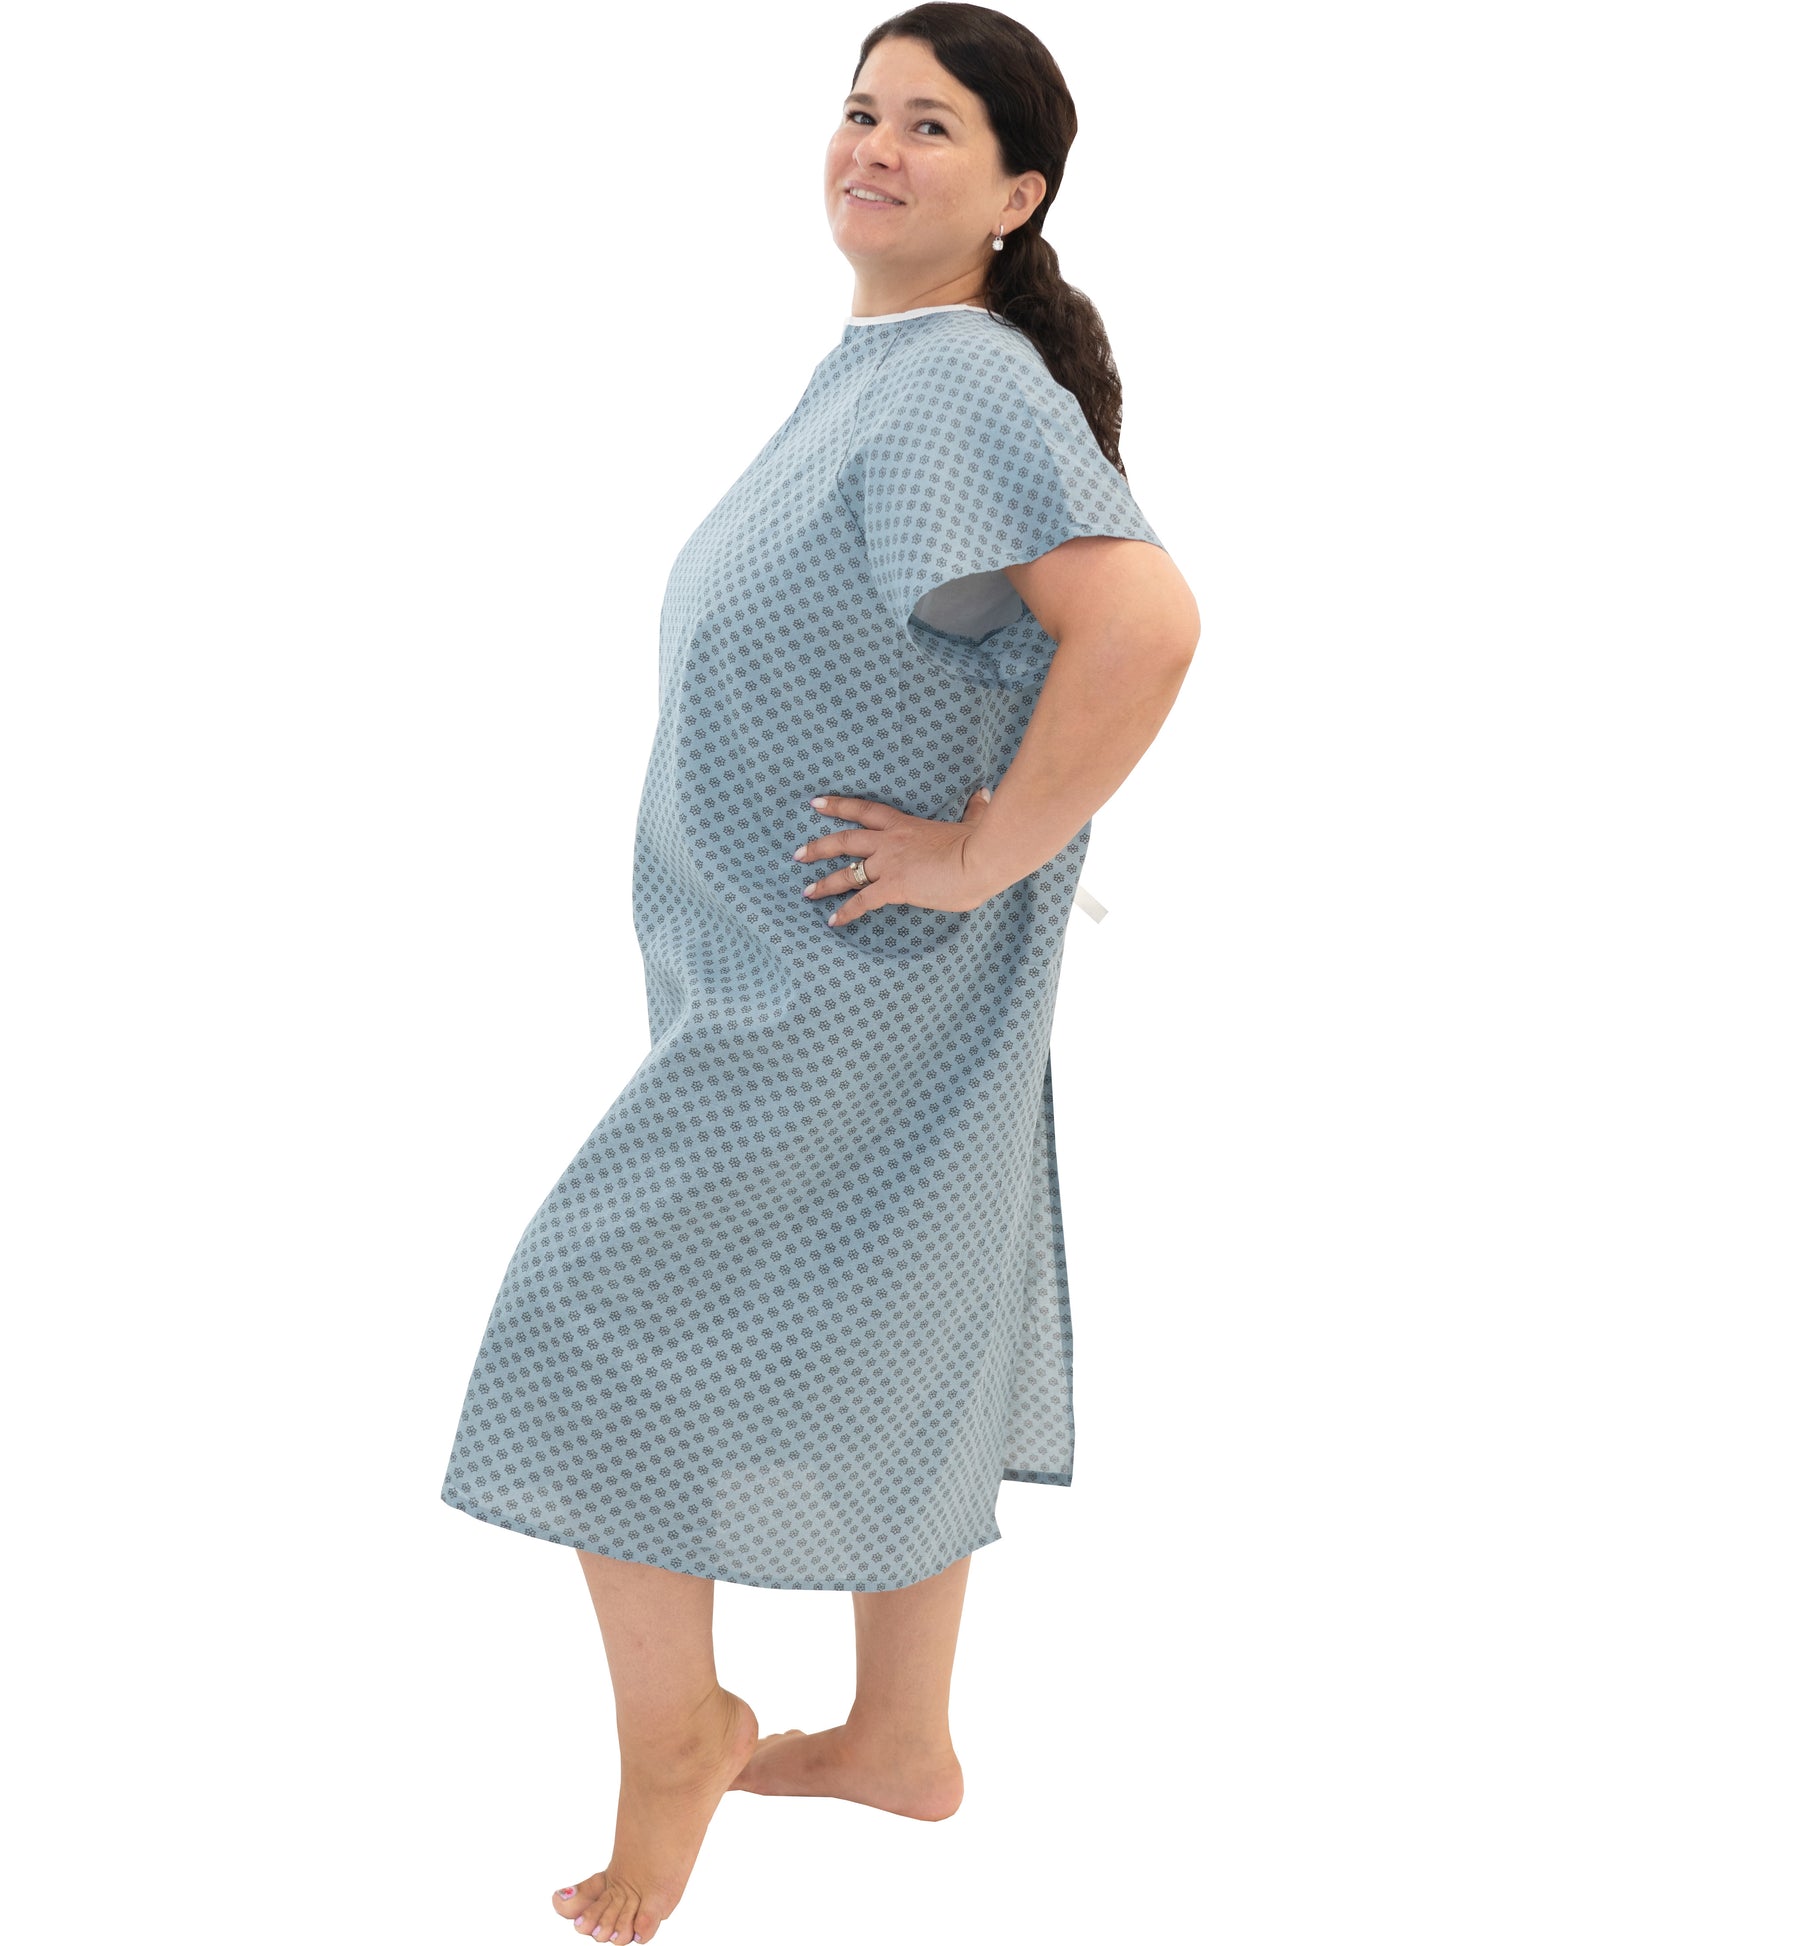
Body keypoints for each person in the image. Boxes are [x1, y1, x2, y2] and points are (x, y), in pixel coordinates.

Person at [440, 8, 1200, 1940]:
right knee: (898, 1302)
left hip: (843, 986)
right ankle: (896, 1739)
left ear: (1017, 193)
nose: (873, 145)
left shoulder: (957, 385)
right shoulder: (888, 372)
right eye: (860, 109)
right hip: (789, 974)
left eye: (930, 126)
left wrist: (980, 851)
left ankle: (678, 1736)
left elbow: (1143, 619)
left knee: (586, 1316)